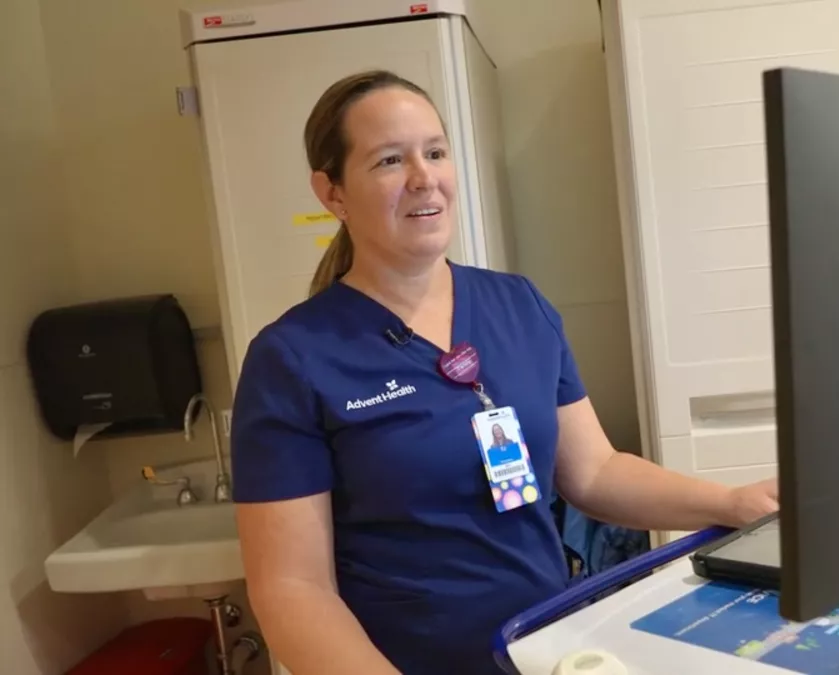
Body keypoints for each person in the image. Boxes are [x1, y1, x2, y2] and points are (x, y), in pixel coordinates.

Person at [229, 69, 779, 675]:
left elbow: (594, 473)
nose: (424, 177)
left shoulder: (519, 306)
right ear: (332, 192)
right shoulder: (293, 357)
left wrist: (730, 502)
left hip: (548, 651)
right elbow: (292, 589)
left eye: (435, 152)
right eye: (389, 160)